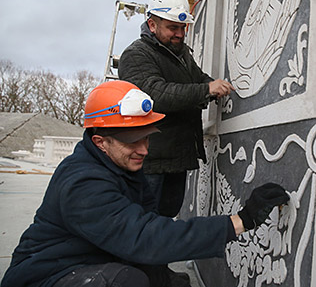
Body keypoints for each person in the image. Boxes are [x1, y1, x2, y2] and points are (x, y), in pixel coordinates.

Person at [0, 80, 289, 287]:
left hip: (89, 258)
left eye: (146, 136)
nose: (144, 150)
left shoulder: (120, 164)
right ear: (100, 141)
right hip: (47, 276)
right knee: (127, 281)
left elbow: (148, 224)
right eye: (131, 141)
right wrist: (240, 221)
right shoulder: (82, 183)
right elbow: (145, 238)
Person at [118, 0, 235, 218]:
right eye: (173, 27)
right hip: (149, 161)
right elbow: (155, 94)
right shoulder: (136, 55)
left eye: (182, 28)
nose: (180, 34)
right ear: (152, 25)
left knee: (166, 218)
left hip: (175, 159)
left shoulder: (180, 53)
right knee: (142, 223)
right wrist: (206, 90)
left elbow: (198, 78)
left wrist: (213, 86)